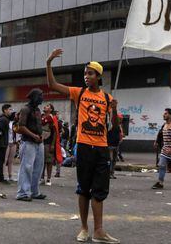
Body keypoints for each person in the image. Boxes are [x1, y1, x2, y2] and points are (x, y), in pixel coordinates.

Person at [47, 49, 120, 244]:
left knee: (99, 190)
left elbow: (114, 126)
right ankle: (84, 228)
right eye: (85, 73)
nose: (86, 77)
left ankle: (99, 230)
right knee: (83, 189)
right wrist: (49, 63)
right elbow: (53, 85)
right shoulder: (78, 92)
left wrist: (114, 110)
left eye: (90, 73)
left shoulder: (107, 98)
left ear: (98, 76)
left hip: (102, 148)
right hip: (84, 146)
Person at [16, 89, 46, 202]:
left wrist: (41, 135)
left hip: (38, 143)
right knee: (26, 168)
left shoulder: (37, 110)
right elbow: (21, 127)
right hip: (28, 142)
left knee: (38, 168)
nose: (42, 98)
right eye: (40, 95)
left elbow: (38, 126)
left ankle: (34, 192)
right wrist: (33, 135)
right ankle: (22, 193)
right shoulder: (25, 109)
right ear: (34, 97)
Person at [41, 103, 57, 185]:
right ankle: (41, 177)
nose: (45, 107)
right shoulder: (41, 117)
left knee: (49, 161)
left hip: (48, 142)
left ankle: (49, 179)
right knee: (41, 161)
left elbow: (55, 132)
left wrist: (53, 144)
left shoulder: (52, 118)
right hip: (40, 142)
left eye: (47, 106)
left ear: (51, 109)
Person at [107, 113, 123, 179]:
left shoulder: (118, 126)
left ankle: (111, 173)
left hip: (116, 145)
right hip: (110, 145)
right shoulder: (110, 124)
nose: (120, 120)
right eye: (119, 119)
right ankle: (109, 173)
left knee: (114, 160)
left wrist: (120, 139)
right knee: (111, 159)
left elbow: (120, 134)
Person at [5, 112, 19, 182]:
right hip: (7, 143)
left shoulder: (17, 124)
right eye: (16, 115)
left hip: (14, 143)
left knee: (11, 161)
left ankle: (10, 176)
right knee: (5, 160)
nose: (17, 116)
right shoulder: (8, 123)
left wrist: (17, 142)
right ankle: (2, 176)